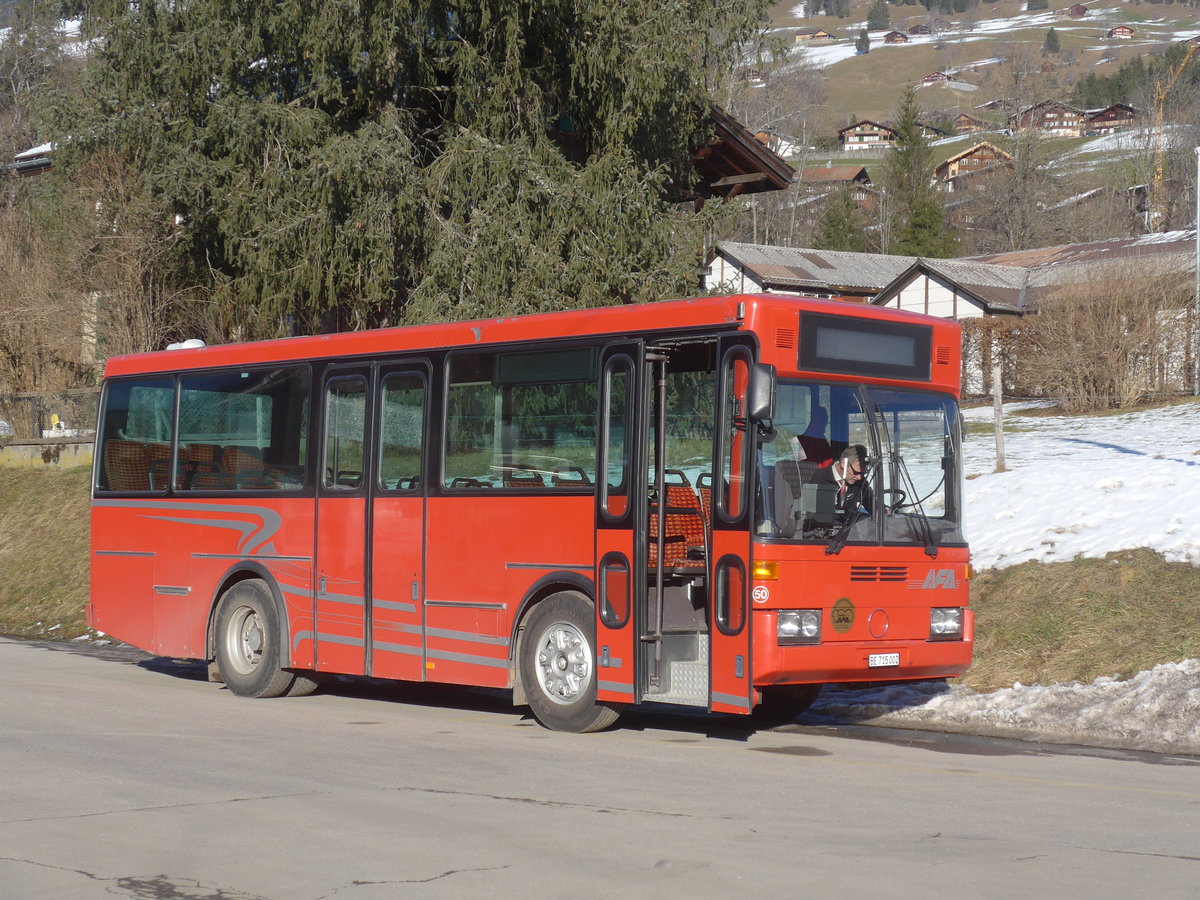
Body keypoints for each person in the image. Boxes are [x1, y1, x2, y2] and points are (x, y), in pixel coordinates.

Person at [819, 444, 871, 519]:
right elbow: (818, 518)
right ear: (844, 463)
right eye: (856, 472)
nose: (859, 478)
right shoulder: (820, 478)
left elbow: (871, 502)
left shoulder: (860, 481)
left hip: (853, 525)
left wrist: (884, 510)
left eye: (863, 473)